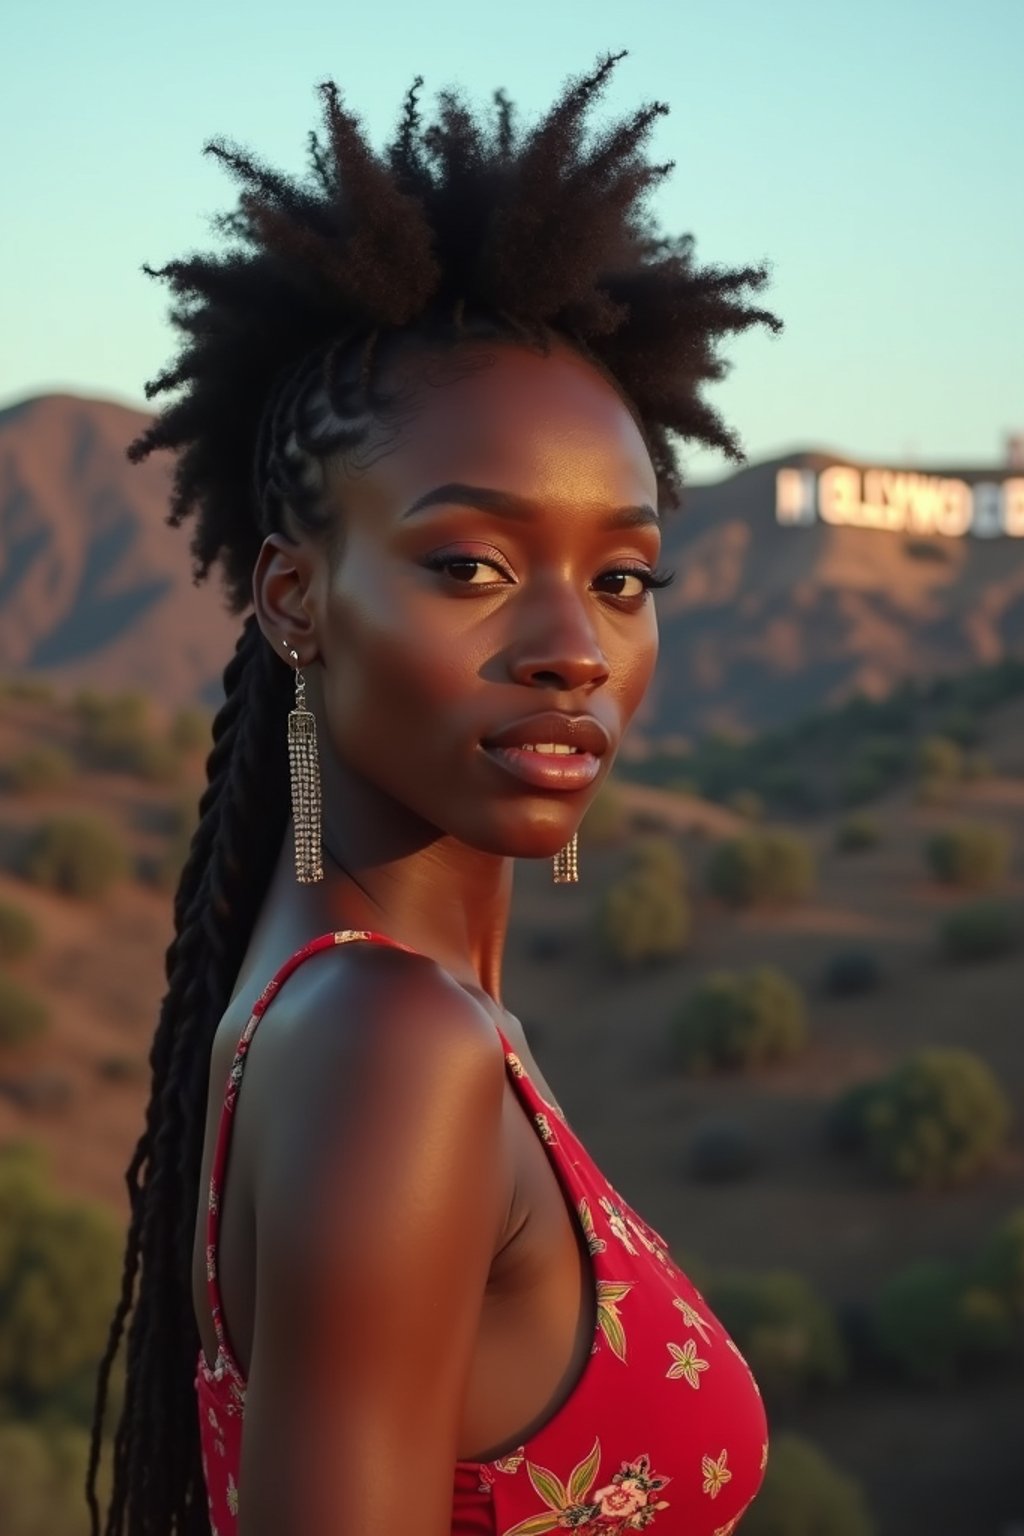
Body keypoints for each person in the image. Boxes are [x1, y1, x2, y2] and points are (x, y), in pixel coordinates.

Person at [86, 51, 781, 1536]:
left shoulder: (332, 1012)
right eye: (471, 564)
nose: (572, 651)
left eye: (623, 579)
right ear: (295, 597)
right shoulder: (391, 1047)